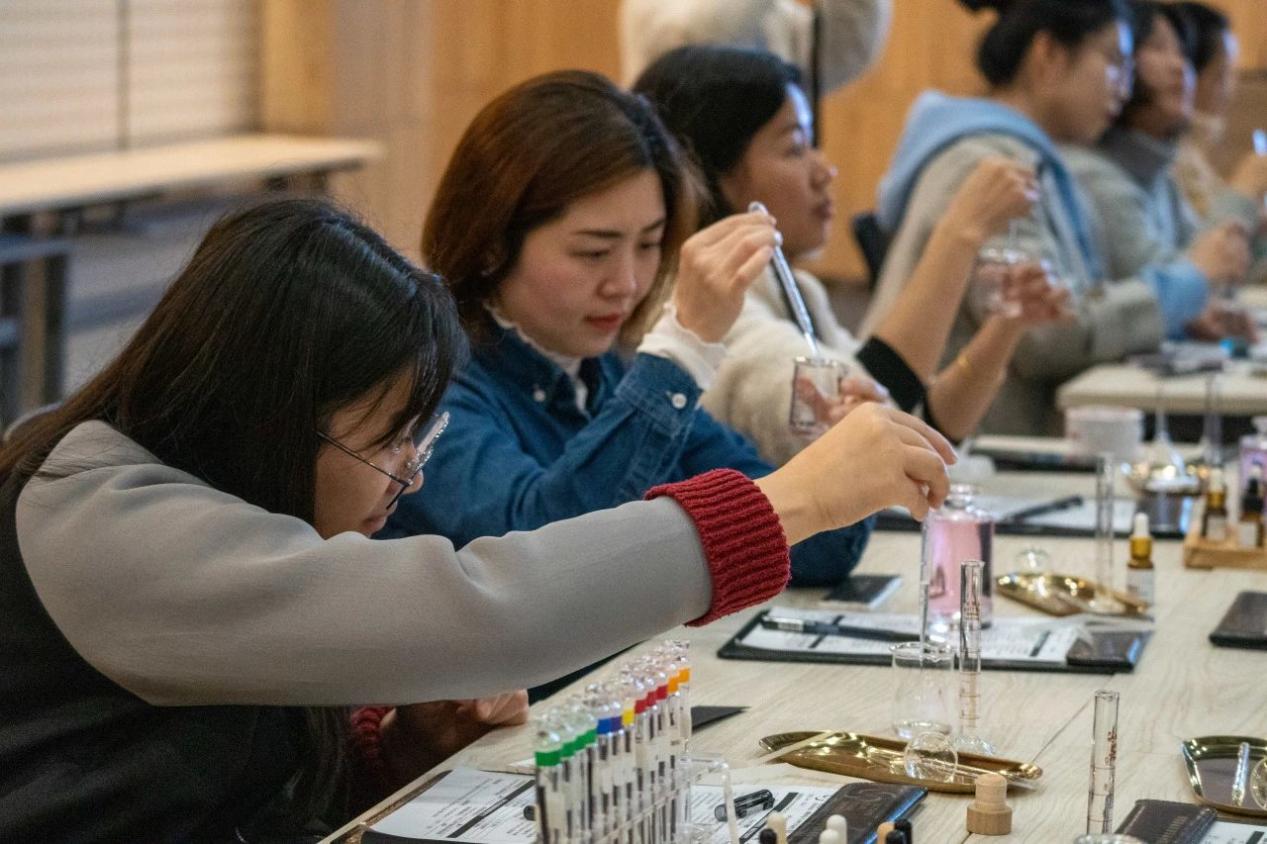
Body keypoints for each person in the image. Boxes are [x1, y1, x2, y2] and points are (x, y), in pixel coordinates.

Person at [0, 198, 952, 839]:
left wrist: (390, 754)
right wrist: (788, 501)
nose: (406, 476)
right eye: (387, 442)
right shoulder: (98, 514)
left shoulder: (205, 502)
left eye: (647, 246)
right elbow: (488, 608)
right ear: (269, 418)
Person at [385, 70, 889, 594]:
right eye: (594, 252)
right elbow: (549, 567)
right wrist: (683, 352)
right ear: (493, 245)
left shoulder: (608, 373)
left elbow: (814, 550)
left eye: (649, 245)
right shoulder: (429, 388)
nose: (626, 284)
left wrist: (838, 457)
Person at [633, 45, 1067, 464]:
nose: (825, 170)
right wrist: (959, 235)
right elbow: (866, 429)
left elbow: (914, 422)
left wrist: (1005, 326)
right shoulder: (707, 306)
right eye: (795, 148)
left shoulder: (797, 288)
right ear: (711, 173)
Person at [866, 0, 1189, 436]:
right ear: (1048, 55)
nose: (1124, 87)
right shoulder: (986, 163)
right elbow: (1044, 336)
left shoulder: (1032, 158)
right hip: (962, 453)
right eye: (1114, 61)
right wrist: (1185, 287)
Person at [1062, 0, 1254, 341]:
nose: (1180, 66)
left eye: (1182, 53)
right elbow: (1185, 273)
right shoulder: (1091, 172)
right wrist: (1245, 189)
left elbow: (1202, 272)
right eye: (1158, 48)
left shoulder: (1158, 172)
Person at [1173, 1, 1267, 229]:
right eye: (1221, 76)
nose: (1229, 91)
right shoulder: (1171, 164)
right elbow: (1205, 242)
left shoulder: (1194, 157)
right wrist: (1247, 185)